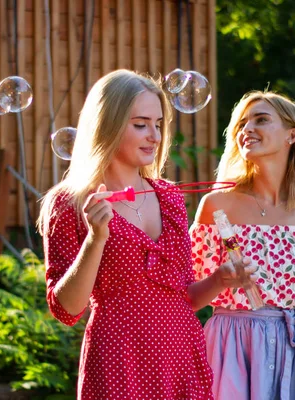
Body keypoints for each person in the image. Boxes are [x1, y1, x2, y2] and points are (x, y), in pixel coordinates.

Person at [38, 69, 244, 399]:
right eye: (141, 124)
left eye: (159, 124)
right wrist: (95, 239)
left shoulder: (170, 196)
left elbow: (184, 297)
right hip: (121, 361)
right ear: (107, 125)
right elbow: (66, 310)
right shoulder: (70, 203)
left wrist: (220, 279)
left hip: (181, 358)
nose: (155, 136)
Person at [189, 90, 295, 400]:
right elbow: (186, 299)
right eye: (241, 125)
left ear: (292, 134)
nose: (247, 130)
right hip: (229, 351)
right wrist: (221, 279)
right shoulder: (217, 207)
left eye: (261, 120)